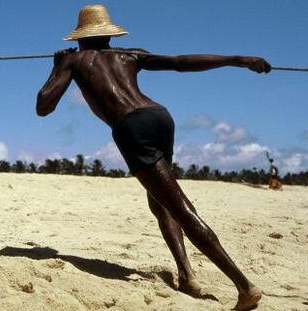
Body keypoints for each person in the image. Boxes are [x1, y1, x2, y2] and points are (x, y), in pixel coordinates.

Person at [36, 5, 271, 310]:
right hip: (159, 117)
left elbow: (44, 106)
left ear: (79, 38)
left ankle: (244, 286)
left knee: (179, 207)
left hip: (131, 128)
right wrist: (237, 60)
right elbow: (180, 63)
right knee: (158, 200)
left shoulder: (75, 60)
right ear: (109, 35)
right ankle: (187, 275)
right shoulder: (130, 55)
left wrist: (58, 67)